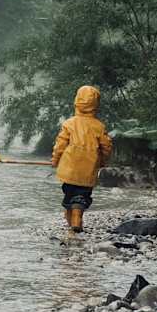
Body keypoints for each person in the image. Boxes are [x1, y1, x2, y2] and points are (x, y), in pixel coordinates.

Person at [51, 85, 112, 234]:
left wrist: (55, 159)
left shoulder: (69, 123)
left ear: (77, 101)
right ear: (96, 104)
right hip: (88, 170)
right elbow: (106, 147)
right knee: (82, 196)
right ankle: (77, 218)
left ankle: (72, 224)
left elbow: (60, 144)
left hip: (69, 168)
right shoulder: (99, 126)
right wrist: (103, 161)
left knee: (69, 196)